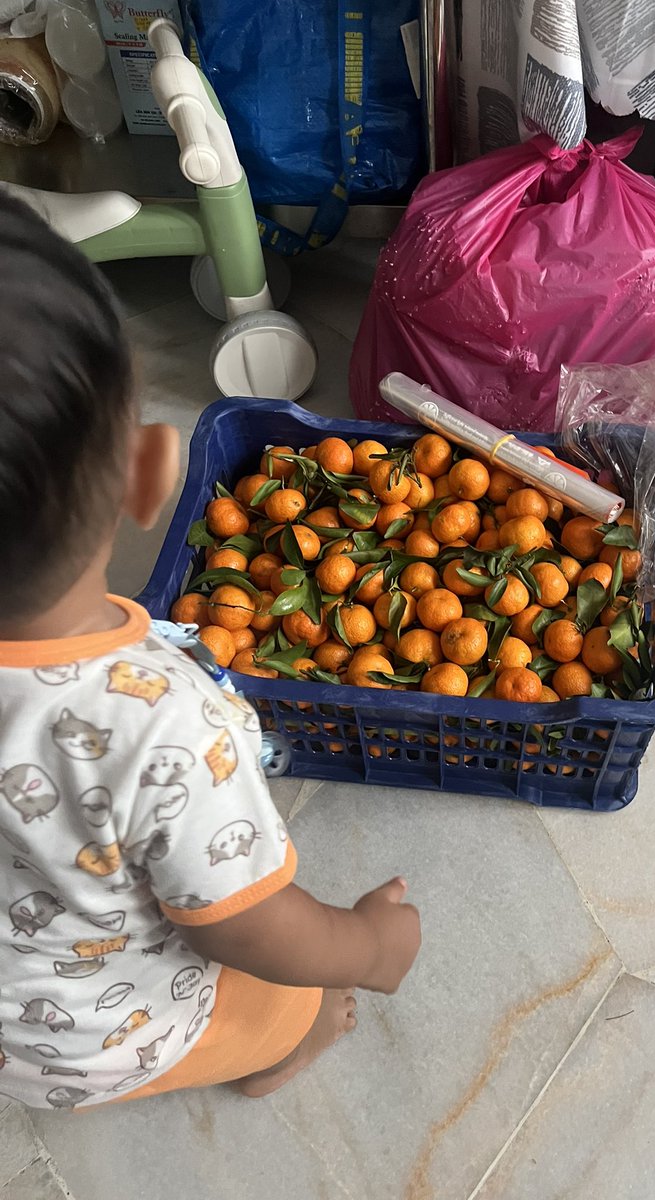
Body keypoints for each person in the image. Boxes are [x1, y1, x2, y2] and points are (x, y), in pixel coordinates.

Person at [0, 192, 421, 1110]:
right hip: (117, 1038)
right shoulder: (155, 724)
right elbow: (249, 926)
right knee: (292, 993)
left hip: (15, 1046)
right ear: (149, 474)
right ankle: (283, 1052)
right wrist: (367, 948)